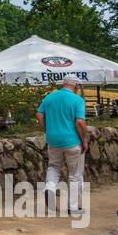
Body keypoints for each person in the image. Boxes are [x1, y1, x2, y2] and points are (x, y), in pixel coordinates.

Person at [36, 78, 89, 215]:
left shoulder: (50, 97)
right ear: (76, 85)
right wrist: (84, 139)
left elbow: (39, 114)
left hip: (53, 140)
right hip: (72, 141)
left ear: (63, 84)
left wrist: (47, 130)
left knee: (54, 166)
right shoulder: (78, 100)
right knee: (75, 174)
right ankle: (73, 207)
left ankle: (50, 187)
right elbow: (80, 122)